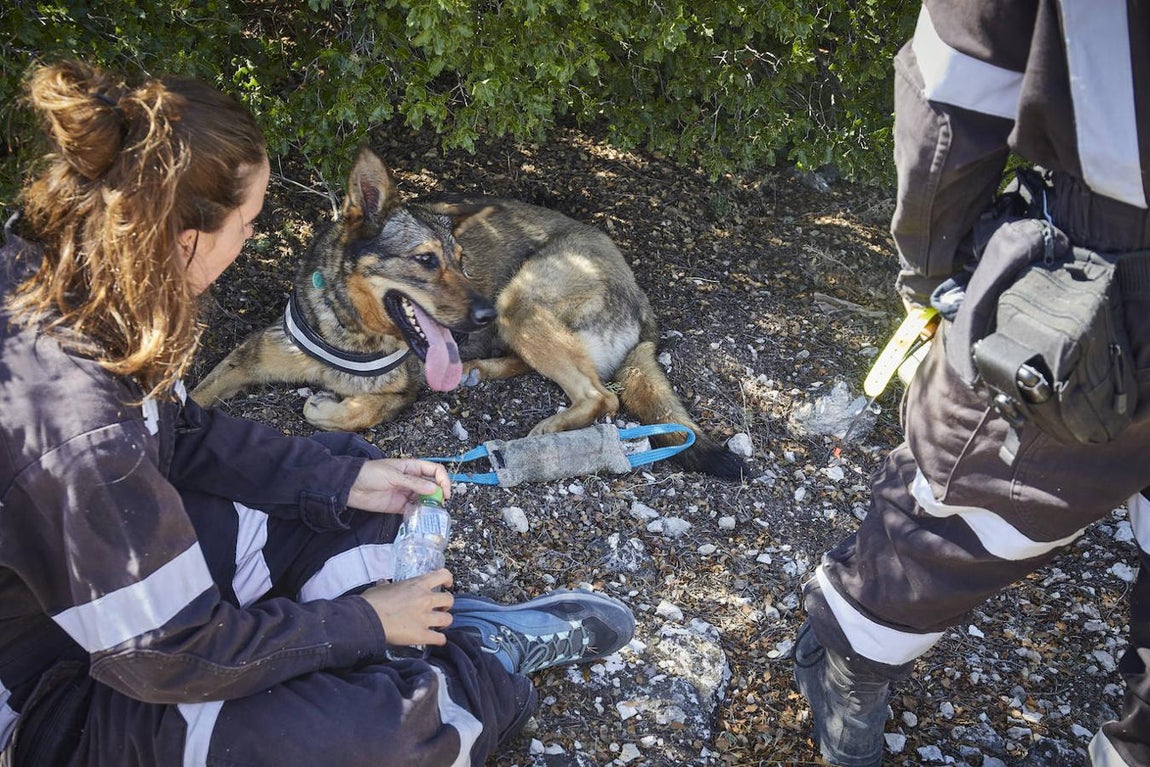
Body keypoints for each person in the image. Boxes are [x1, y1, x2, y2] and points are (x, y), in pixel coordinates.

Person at [0, 60, 635, 766]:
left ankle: (397, 637)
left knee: (361, 488)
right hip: (52, 692)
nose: (249, 245)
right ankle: (480, 663)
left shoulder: (62, 273)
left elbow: (184, 434)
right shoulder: (77, 425)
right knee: (376, 737)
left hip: (99, 600)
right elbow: (168, 657)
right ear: (186, 241)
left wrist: (339, 483)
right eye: (248, 225)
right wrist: (361, 621)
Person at [792, 2, 1150, 766]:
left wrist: (932, 274)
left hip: (1104, 273)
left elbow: (956, 81)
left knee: (966, 484)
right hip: (1115, 260)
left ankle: (853, 651)